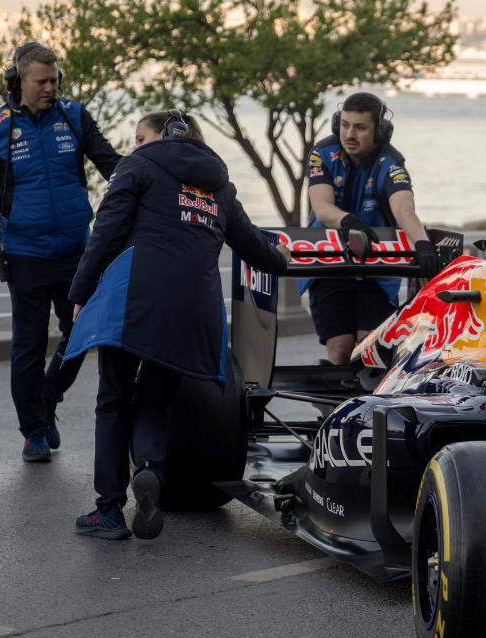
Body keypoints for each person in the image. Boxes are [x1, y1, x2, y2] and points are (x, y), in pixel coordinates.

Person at [63, 110, 290, 540]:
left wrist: (79, 294)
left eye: (138, 137)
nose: (135, 145)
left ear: (160, 138)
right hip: (192, 312)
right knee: (151, 404)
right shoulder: (220, 188)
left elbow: (106, 230)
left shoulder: (138, 165)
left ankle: (108, 510)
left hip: (135, 299)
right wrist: (283, 259)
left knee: (113, 401)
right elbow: (254, 247)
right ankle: (148, 469)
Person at [0, 43, 121, 461]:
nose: (50, 87)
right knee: (29, 347)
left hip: (76, 252)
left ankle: (48, 400)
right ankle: (33, 430)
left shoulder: (74, 116)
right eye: (42, 81)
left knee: (80, 334)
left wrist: (159, 167)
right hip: (26, 254)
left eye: (55, 79)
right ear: (18, 82)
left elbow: (113, 166)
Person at [304, 92, 439, 365]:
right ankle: (334, 406)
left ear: (380, 132)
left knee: (370, 352)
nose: (349, 134)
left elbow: (404, 209)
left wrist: (423, 245)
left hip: (377, 270)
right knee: (341, 349)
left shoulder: (391, 164)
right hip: (329, 263)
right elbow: (321, 207)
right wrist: (348, 222)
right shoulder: (322, 153)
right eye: (344, 125)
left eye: (360, 127)